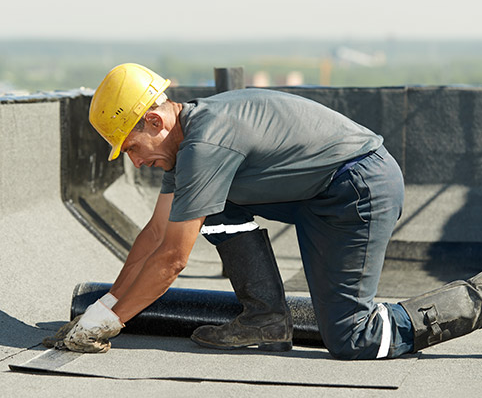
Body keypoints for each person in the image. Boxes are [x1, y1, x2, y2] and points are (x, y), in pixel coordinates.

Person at [53, 63, 481, 359]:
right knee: (203, 207)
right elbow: (155, 235)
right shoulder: (184, 150)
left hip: (358, 190)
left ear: (154, 121)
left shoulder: (205, 145)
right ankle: (265, 319)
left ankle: (476, 299)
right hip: (319, 194)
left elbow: (171, 260)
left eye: (131, 147)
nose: (134, 161)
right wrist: (105, 304)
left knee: (355, 337)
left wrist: (109, 325)